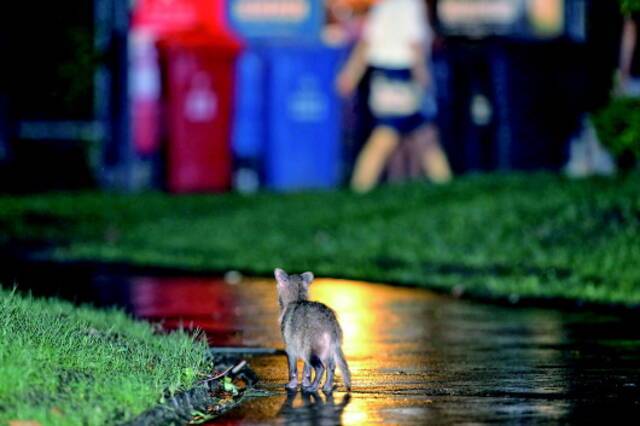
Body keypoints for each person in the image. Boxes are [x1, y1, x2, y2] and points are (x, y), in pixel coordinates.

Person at [336, 0, 451, 193]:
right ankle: (360, 188)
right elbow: (414, 46)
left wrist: (350, 74)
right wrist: (425, 80)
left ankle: (447, 185)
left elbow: (367, 42)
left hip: (383, 74)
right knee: (387, 135)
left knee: (423, 136)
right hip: (402, 75)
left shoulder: (384, 6)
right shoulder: (410, 6)